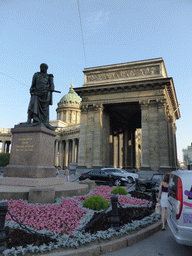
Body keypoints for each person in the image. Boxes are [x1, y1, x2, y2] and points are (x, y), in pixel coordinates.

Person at [27, 63, 55, 129]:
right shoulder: (36, 75)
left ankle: (45, 122)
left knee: (44, 106)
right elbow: (32, 85)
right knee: (32, 104)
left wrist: (51, 88)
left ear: (46, 69)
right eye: (41, 67)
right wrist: (32, 90)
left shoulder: (49, 76)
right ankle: (29, 120)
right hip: (36, 93)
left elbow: (52, 85)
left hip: (45, 95)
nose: (41, 68)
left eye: (43, 67)